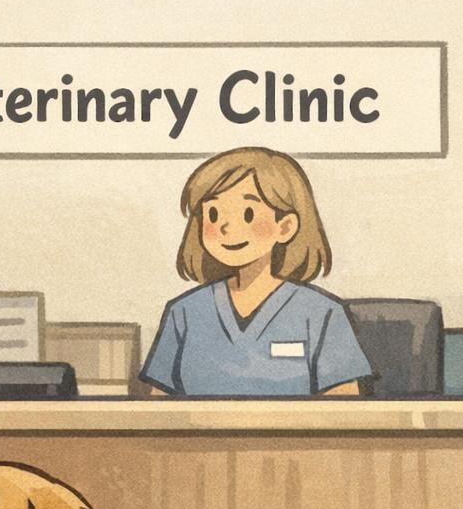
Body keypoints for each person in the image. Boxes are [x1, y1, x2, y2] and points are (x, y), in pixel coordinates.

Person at [140, 147, 372, 396]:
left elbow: (344, 408)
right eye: (213, 214)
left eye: (248, 214)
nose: (226, 227)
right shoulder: (184, 312)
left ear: (285, 227)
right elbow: (158, 407)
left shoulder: (321, 313)